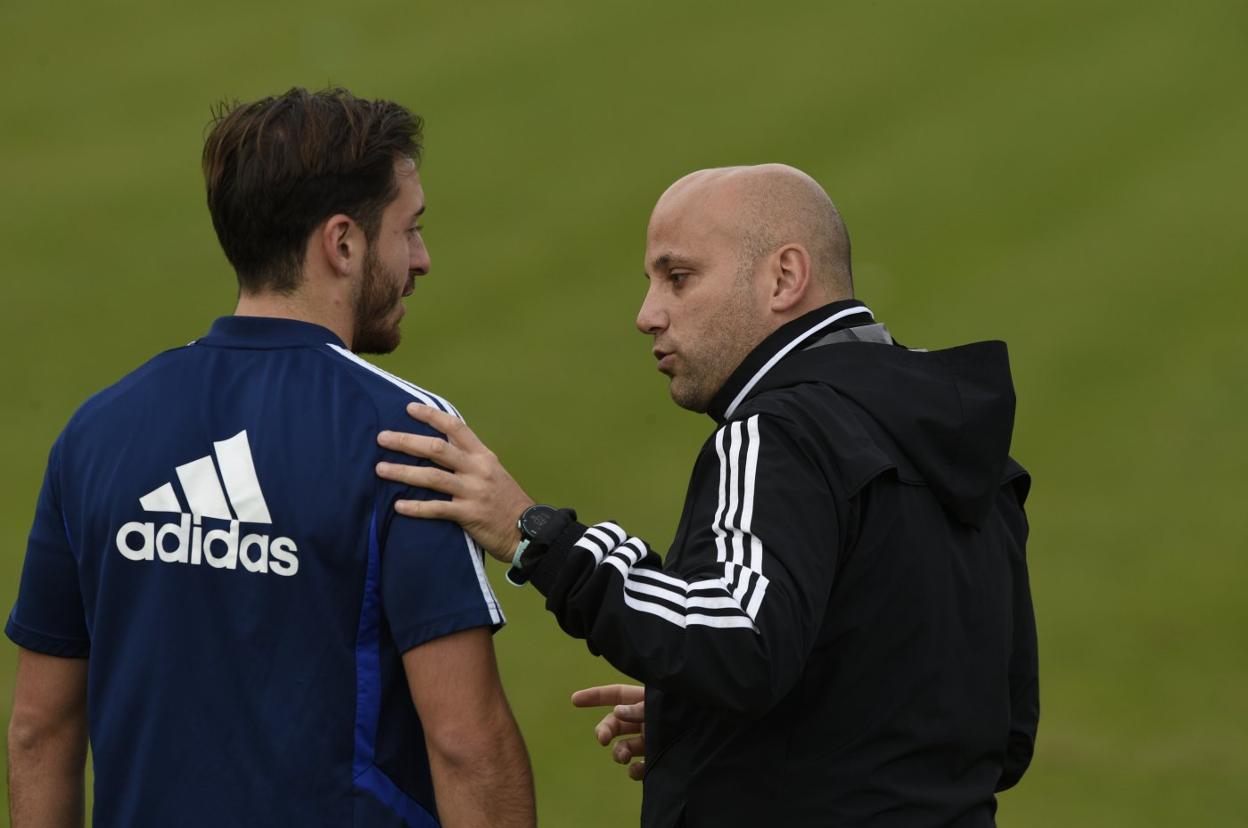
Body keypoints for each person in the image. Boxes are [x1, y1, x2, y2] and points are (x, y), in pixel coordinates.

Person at [375, 164, 1038, 826]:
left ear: (784, 278)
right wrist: (717, 733)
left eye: (679, 277)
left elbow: (736, 638)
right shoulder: (967, 449)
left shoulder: (780, 432)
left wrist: (538, 535)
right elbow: (1000, 727)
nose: (647, 315)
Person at [5, 87, 535, 828]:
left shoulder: (98, 429)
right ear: (342, 243)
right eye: (408, 231)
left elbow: (39, 730)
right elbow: (465, 744)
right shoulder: (405, 434)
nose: (422, 260)